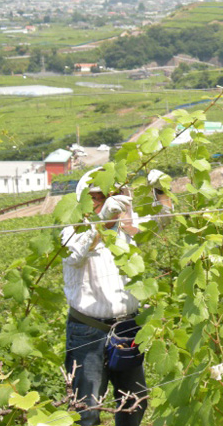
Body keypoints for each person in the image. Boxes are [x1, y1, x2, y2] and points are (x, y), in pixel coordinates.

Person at [62, 167, 170, 426]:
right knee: (86, 411)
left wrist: (160, 188)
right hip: (88, 332)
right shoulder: (73, 230)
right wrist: (102, 223)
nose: (109, 202)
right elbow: (73, 255)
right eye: (99, 197)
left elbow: (164, 218)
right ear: (85, 200)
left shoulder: (126, 230)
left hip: (126, 330)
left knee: (135, 402)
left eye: (114, 195)